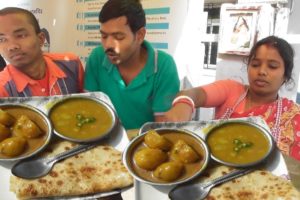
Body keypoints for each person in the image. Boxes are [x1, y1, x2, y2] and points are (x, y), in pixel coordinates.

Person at [165, 36, 300, 161]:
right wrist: (184, 102)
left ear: (285, 76)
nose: (261, 72)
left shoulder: (293, 115)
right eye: (255, 64)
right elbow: (195, 94)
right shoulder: (231, 90)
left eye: (272, 66)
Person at [84, 0, 180, 129]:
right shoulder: (97, 57)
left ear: (140, 35)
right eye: (104, 36)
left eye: (118, 37)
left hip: (143, 145)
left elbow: (161, 131)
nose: (108, 45)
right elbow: (90, 113)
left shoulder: (163, 66)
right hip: (103, 143)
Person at [0, 7, 84, 97]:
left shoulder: (70, 64)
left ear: (41, 39)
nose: (12, 46)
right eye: (2, 39)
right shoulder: (3, 87)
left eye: (21, 35)